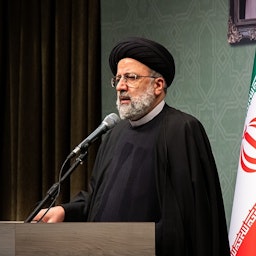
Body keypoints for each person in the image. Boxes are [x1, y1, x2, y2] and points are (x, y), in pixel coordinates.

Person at [33, 37, 230, 256]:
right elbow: (96, 198)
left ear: (158, 85)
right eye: (117, 79)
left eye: (131, 77)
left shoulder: (181, 130)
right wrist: (64, 211)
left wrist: (131, 241)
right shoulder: (115, 134)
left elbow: (190, 219)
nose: (120, 86)